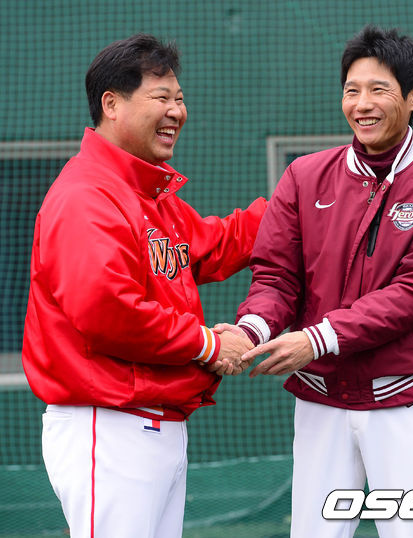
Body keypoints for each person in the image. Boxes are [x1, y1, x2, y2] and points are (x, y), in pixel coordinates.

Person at [214, 25, 413, 537]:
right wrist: (250, 331)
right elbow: (276, 277)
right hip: (321, 400)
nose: (362, 104)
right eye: (352, 90)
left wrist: (315, 340)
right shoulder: (303, 176)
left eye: (379, 89)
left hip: (401, 399)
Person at [21, 34, 263, 538]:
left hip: (152, 424)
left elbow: (216, 246)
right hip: (108, 425)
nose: (177, 111)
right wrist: (209, 344)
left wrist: (297, 204)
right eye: (161, 97)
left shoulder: (147, 194)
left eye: (180, 98)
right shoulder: (86, 194)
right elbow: (107, 310)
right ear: (112, 104)